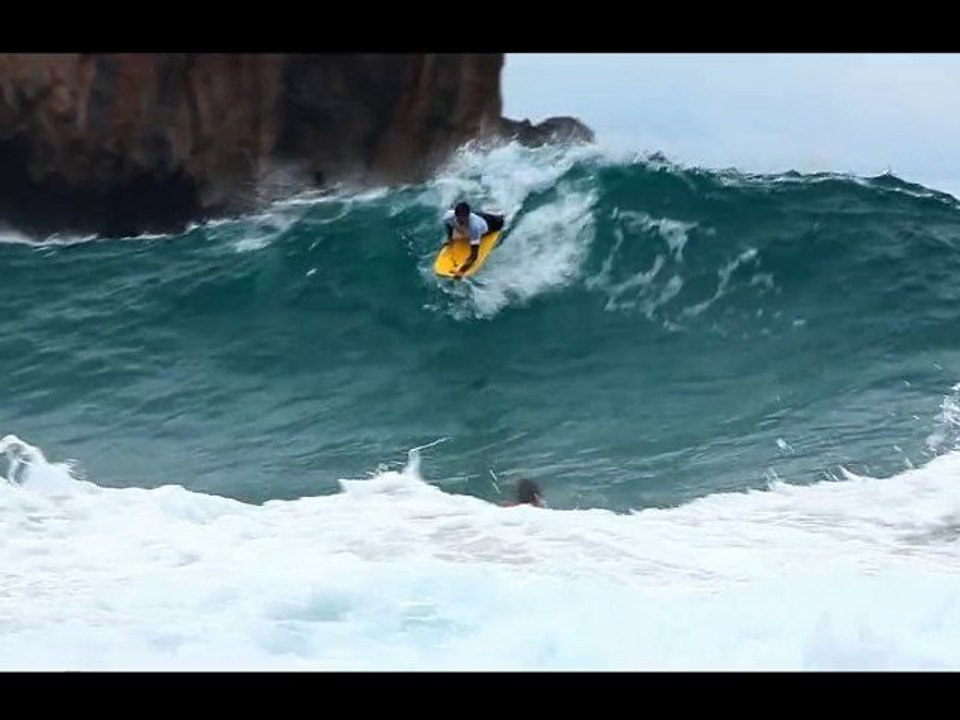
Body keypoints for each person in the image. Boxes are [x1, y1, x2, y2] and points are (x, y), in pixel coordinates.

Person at [441, 201, 505, 279]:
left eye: (465, 220)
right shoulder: (448, 217)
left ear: (468, 216)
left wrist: (461, 271)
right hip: (477, 216)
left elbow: (474, 255)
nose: (462, 222)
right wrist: (450, 238)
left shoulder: (475, 227)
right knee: (467, 227)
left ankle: (500, 215)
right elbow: (449, 225)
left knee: (500, 221)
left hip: (492, 223)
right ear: (455, 215)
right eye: (460, 220)